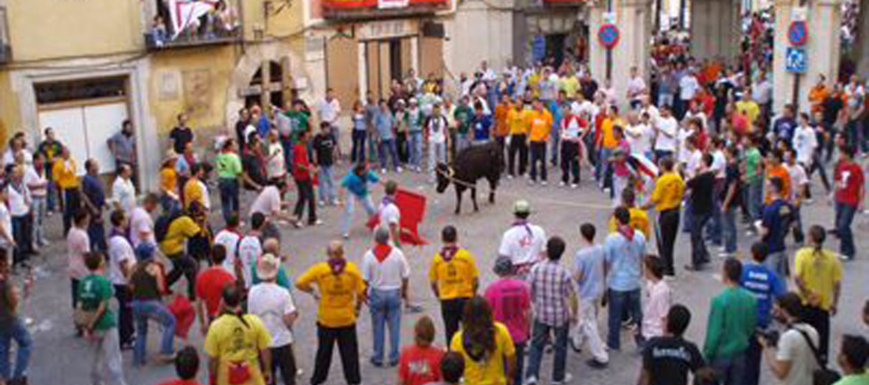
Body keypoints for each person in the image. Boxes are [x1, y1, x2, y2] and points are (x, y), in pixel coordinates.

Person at [295, 241, 365, 385]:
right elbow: (361, 292)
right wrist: (357, 309)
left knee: (323, 353)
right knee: (350, 354)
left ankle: (318, 379)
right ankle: (353, 380)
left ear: (327, 254)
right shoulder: (352, 270)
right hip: (346, 318)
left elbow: (299, 282)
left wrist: (313, 291)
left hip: (327, 319)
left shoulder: (320, 270)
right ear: (342, 253)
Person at [525, 237, 576, 385]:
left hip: (541, 312)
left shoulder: (536, 268)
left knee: (536, 344)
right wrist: (574, 312)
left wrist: (535, 301)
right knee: (560, 346)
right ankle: (557, 377)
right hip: (560, 314)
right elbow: (571, 294)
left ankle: (532, 375)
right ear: (562, 253)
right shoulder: (564, 273)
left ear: (547, 250)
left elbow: (529, 290)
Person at [361, 227, 410, 367]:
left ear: (375, 239)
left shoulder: (369, 255)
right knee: (394, 326)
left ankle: (378, 356)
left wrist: (363, 295)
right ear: (388, 238)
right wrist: (404, 292)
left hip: (377, 292)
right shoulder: (397, 254)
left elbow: (364, 279)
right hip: (394, 290)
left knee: (378, 326)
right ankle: (394, 355)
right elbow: (406, 275)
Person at [205, 284, 273, 385]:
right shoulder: (255, 321)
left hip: (226, 377)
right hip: (252, 376)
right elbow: (265, 351)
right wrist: (267, 371)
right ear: (240, 299)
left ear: (223, 302)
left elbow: (212, 359)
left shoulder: (216, 327)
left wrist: (213, 376)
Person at [704, 258, 757, 385]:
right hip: (739, 351)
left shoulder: (719, 300)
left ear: (725, 274)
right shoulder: (751, 298)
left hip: (721, 353)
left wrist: (707, 353)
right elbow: (750, 327)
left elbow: (714, 332)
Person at [77, 251, 128, 385]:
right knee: (113, 359)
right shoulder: (104, 282)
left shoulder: (83, 282)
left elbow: (79, 305)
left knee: (95, 359)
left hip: (90, 325)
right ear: (100, 263)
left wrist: (85, 326)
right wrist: (93, 323)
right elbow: (103, 306)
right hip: (105, 324)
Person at [739, 242, 786, 385]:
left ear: (752, 253)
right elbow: (781, 295)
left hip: (742, 320)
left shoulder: (744, 271)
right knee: (754, 360)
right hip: (760, 321)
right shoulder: (771, 275)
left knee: (739, 357)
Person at [793, 225, 842, 362]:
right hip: (823, 305)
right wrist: (835, 303)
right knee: (821, 343)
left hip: (805, 303)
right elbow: (837, 284)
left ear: (810, 238)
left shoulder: (802, 254)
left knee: (804, 340)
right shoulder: (832, 258)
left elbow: (797, 278)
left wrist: (808, 294)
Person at [248, 253, 298, 385]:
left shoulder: (252, 292)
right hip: (281, 340)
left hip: (262, 341)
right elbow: (288, 320)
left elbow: (251, 317)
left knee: (267, 377)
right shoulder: (283, 293)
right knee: (289, 377)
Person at [429, 225, 479, 346]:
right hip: (465, 298)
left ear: (442, 238)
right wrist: (473, 293)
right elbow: (475, 280)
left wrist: (439, 295)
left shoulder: (437, 259)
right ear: (456, 237)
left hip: (447, 300)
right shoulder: (466, 256)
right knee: (469, 331)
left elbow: (433, 283)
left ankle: (452, 360)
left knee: (450, 333)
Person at [449, 296, 516, 385]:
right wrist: (509, 379)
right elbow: (511, 359)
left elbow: (454, 369)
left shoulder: (457, 339)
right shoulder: (500, 331)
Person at [604, 207, 646, 350]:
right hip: (634, 281)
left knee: (614, 317)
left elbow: (607, 262)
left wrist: (604, 281)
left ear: (616, 220)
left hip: (617, 283)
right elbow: (642, 256)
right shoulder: (639, 235)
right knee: (637, 315)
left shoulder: (612, 239)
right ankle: (640, 341)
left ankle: (613, 342)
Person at [758, 292, 820, 385]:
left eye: (776, 310)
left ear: (784, 310)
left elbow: (780, 372)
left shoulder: (788, 337)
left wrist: (766, 348)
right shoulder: (812, 331)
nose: (774, 314)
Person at [485, 256, 530, 383]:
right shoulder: (522, 287)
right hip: (518, 334)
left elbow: (487, 315)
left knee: (501, 371)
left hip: (499, 336)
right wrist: (527, 330)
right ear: (512, 270)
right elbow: (527, 312)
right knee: (518, 369)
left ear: (497, 271)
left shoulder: (491, 289)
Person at [130, 242, 176, 366]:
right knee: (170, 322)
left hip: (136, 303)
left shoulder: (134, 267)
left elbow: (130, 287)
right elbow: (161, 288)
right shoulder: (154, 268)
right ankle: (167, 351)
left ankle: (138, 359)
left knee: (141, 331)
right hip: (151, 302)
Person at [638, 304, 707, 385]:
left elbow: (645, 375)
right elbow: (703, 375)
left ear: (667, 322)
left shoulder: (652, 345)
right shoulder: (690, 348)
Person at [571, 223, 609, 368]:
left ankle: (600, 356)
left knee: (589, 323)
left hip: (586, 291)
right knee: (588, 316)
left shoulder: (581, 254)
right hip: (598, 288)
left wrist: (571, 278)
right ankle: (577, 341)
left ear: (582, 235)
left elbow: (578, 276)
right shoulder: (601, 249)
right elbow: (605, 267)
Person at [643, 157, 683, 276]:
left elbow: (655, 199)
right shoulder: (678, 178)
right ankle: (669, 266)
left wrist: (643, 207)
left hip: (664, 211)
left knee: (663, 242)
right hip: (675, 210)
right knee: (670, 241)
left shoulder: (662, 180)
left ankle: (666, 267)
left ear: (663, 167)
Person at [160, 202, 206, 299]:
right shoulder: (186, 221)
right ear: (194, 213)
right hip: (173, 248)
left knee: (178, 269)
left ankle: (164, 286)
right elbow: (198, 235)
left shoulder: (182, 217)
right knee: (193, 265)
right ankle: (192, 294)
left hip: (166, 246)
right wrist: (202, 223)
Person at [0, 250, 32, 385]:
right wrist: (21, 291)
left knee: (3, 347)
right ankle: (17, 377)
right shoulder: (3, 282)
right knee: (26, 342)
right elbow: (13, 301)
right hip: (8, 317)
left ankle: (5, 377)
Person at [106, 210, 136, 350]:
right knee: (126, 310)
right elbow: (124, 264)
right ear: (120, 221)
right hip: (123, 281)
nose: (127, 221)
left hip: (120, 280)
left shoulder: (115, 238)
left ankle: (129, 333)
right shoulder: (120, 242)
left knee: (127, 310)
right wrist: (130, 281)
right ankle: (125, 338)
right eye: (125, 219)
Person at [498, 200, 547, 277]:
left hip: (516, 274)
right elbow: (544, 253)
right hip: (535, 273)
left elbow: (504, 258)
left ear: (514, 214)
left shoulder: (508, 234)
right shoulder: (539, 230)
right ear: (528, 214)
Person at [195, 245, 237, 334]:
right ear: (225, 257)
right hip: (226, 319)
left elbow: (199, 303)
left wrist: (202, 323)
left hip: (211, 318)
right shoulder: (229, 278)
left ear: (211, 256)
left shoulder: (202, 277)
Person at [832, 145, 864, 260]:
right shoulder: (840, 166)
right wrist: (833, 194)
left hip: (851, 200)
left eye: (841, 153)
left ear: (847, 155)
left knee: (844, 225)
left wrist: (861, 202)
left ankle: (849, 251)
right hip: (840, 198)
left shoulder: (856, 168)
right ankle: (843, 249)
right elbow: (837, 180)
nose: (839, 155)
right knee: (841, 225)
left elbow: (861, 186)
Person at [685, 153, 715, 271]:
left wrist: (690, 173)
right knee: (698, 233)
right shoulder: (711, 175)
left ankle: (696, 261)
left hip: (698, 208)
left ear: (704, 162)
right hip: (707, 207)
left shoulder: (702, 177)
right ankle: (703, 255)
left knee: (695, 235)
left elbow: (689, 183)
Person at [759, 177, 792, 278]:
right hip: (781, 245)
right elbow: (790, 222)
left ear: (773, 188)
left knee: (771, 277)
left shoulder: (769, 209)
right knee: (780, 278)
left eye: (768, 185)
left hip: (770, 248)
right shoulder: (785, 206)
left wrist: (758, 229)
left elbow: (765, 231)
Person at [397, 316, 445, 385]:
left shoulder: (406, 353)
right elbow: (441, 380)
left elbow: (401, 380)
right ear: (432, 334)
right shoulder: (439, 354)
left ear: (416, 334)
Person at [340, 162, 381, 238]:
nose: (368, 172)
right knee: (350, 211)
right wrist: (341, 200)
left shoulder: (368, 173)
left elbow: (378, 180)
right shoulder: (351, 176)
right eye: (366, 170)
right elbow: (342, 186)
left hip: (363, 192)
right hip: (352, 192)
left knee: (371, 208)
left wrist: (389, 186)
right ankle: (345, 231)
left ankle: (372, 224)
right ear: (360, 171)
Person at [639, 256, 671, 346]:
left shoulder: (662, 291)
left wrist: (664, 339)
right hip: (648, 329)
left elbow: (664, 316)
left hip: (656, 333)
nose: (643, 271)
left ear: (650, 270)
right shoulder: (650, 284)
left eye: (644, 268)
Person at [291, 130, 320, 228]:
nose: (308, 138)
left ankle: (311, 218)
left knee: (308, 197)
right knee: (304, 197)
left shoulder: (303, 147)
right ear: (302, 138)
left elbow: (305, 161)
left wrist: (310, 167)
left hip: (305, 175)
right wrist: (310, 169)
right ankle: (297, 218)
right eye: (306, 137)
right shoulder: (299, 148)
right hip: (301, 176)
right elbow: (299, 164)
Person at [68, 210, 91, 322]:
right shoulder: (83, 236)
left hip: (73, 267)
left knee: (76, 297)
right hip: (83, 270)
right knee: (85, 297)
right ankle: (83, 321)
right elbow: (86, 254)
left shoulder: (72, 231)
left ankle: (77, 320)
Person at [81, 158, 108, 252]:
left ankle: (103, 248)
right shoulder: (87, 179)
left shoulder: (97, 177)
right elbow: (84, 195)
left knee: (100, 227)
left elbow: (100, 191)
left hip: (99, 207)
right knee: (93, 229)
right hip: (92, 209)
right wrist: (92, 208)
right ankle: (92, 248)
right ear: (90, 167)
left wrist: (104, 202)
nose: (97, 166)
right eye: (95, 164)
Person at [24, 153, 49, 251]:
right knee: (34, 220)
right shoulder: (29, 171)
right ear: (35, 160)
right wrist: (39, 186)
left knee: (41, 219)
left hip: (43, 196)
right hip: (34, 197)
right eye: (41, 159)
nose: (43, 161)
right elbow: (27, 185)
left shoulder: (43, 170)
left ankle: (40, 238)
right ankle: (33, 242)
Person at [53, 146, 80, 234]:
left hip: (74, 186)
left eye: (69, 152)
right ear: (62, 154)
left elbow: (74, 173)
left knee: (77, 208)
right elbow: (56, 179)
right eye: (66, 152)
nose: (68, 154)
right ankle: (67, 229)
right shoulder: (58, 163)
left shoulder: (72, 161)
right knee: (66, 210)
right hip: (65, 188)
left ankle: (78, 226)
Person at [527, 98, 553, 185]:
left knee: (542, 160)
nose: (539, 106)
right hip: (533, 140)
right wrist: (528, 137)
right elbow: (529, 127)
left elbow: (549, 127)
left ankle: (544, 178)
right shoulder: (532, 114)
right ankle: (532, 178)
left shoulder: (547, 115)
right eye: (538, 105)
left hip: (542, 141)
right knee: (533, 160)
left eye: (541, 105)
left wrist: (545, 136)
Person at [313, 122, 338, 206]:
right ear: (322, 128)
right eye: (327, 128)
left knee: (331, 181)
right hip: (321, 162)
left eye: (329, 128)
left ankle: (333, 198)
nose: (328, 130)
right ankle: (322, 199)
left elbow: (334, 146)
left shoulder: (331, 136)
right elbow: (315, 150)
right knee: (321, 182)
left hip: (330, 162)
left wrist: (335, 155)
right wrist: (315, 161)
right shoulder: (317, 138)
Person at [107, 120, 137, 187]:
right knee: (121, 176)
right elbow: (110, 141)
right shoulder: (119, 135)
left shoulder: (132, 136)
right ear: (124, 127)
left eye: (130, 127)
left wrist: (133, 157)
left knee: (131, 176)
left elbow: (134, 147)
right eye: (127, 127)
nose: (129, 129)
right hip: (121, 159)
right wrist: (113, 151)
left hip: (129, 159)